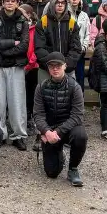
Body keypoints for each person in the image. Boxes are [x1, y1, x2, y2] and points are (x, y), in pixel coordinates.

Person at [33, 53, 87, 187]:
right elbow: (38, 115)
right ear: (48, 68)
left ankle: (73, 169)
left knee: (81, 136)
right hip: (50, 129)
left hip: (68, 128)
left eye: (58, 66)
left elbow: (77, 115)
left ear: (65, 66)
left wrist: (57, 132)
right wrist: (45, 131)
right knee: (51, 173)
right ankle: (59, 154)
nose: (55, 69)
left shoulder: (75, 87)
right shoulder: (41, 87)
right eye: (52, 66)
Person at [0, 0, 30, 150]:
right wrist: (10, 45)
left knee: (17, 101)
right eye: (7, 0)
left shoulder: (23, 21)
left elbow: (24, 45)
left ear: (17, 3)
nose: (9, 3)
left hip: (16, 65)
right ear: (2, 2)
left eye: (13, 1)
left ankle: (18, 135)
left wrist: (6, 50)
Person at [34, 0, 82, 83]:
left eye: (63, 3)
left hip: (67, 69)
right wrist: (52, 66)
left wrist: (65, 66)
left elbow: (76, 48)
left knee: (68, 96)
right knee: (45, 95)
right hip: (46, 69)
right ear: (52, 4)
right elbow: (39, 48)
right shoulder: (43, 22)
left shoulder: (72, 23)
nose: (60, 5)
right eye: (57, 2)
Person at [19, 4, 39, 147]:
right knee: (21, 95)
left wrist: (29, 64)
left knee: (31, 94)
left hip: (33, 68)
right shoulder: (19, 26)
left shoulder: (36, 29)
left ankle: (31, 118)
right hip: (20, 66)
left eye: (25, 13)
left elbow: (36, 48)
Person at [66, 0, 91, 90]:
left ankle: (80, 102)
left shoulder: (84, 15)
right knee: (68, 78)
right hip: (68, 52)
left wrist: (84, 47)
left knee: (80, 78)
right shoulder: (65, 15)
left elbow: (87, 33)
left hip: (80, 53)